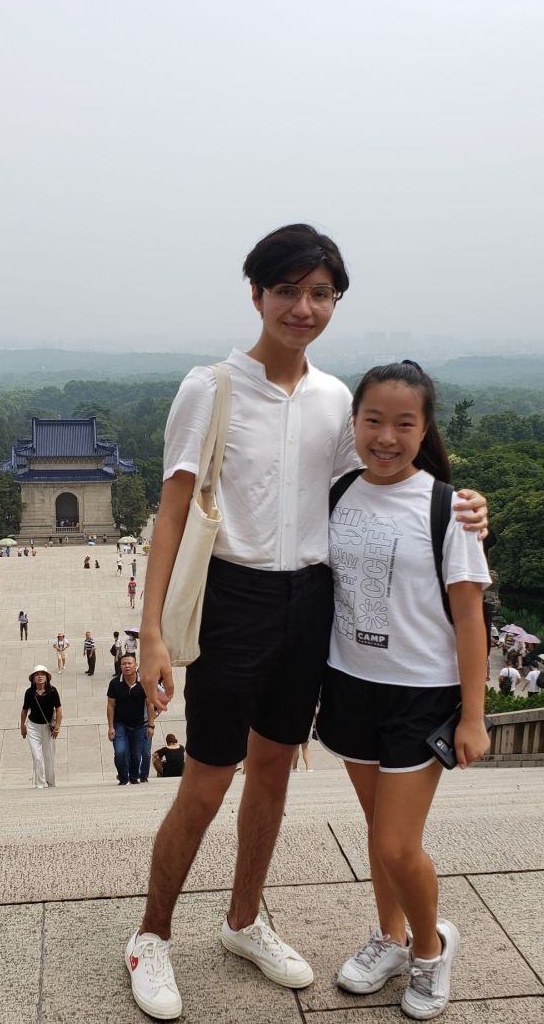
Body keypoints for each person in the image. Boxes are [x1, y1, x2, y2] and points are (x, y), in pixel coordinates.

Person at [127, 224, 488, 1021]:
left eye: (320, 293)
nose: (303, 306)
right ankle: (152, 935)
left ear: (335, 303)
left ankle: (244, 919)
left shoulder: (335, 399)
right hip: (235, 599)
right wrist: (150, 632)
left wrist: (464, 503)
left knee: (272, 772)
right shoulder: (211, 387)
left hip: (310, 604)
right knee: (206, 780)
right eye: (287, 290)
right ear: (255, 294)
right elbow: (173, 508)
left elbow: (386, 473)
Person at [316, 361, 491, 1020]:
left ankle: (429, 948)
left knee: (396, 843)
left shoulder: (449, 508)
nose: (386, 436)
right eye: (373, 421)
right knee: (379, 828)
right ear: (354, 422)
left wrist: (474, 715)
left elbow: (469, 615)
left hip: (421, 691)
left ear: (425, 429)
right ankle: (388, 936)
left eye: (404, 423)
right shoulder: (337, 491)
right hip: (350, 682)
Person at [107, 653, 155, 786]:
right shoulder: (115, 683)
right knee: (120, 752)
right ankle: (123, 778)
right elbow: (111, 706)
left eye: (130, 663)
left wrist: (151, 725)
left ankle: (134, 778)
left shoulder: (144, 682)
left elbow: (150, 704)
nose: (127, 666)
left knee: (136, 755)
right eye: (124, 664)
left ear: (136, 665)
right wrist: (111, 727)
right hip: (120, 724)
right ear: (120, 666)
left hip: (139, 725)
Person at [19, 665, 62, 788]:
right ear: (32, 678)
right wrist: (23, 726)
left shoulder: (53, 691)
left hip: (48, 728)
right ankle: (40, 783)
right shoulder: (29, 693)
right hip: (33, 727)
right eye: (37, 674)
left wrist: (57, 727)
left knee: (49, 756)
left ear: (47, 677)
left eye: (42, 674)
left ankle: (51, 781)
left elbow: (59, 709)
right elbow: (24, 710)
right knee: (37, 756)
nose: (39, 676)